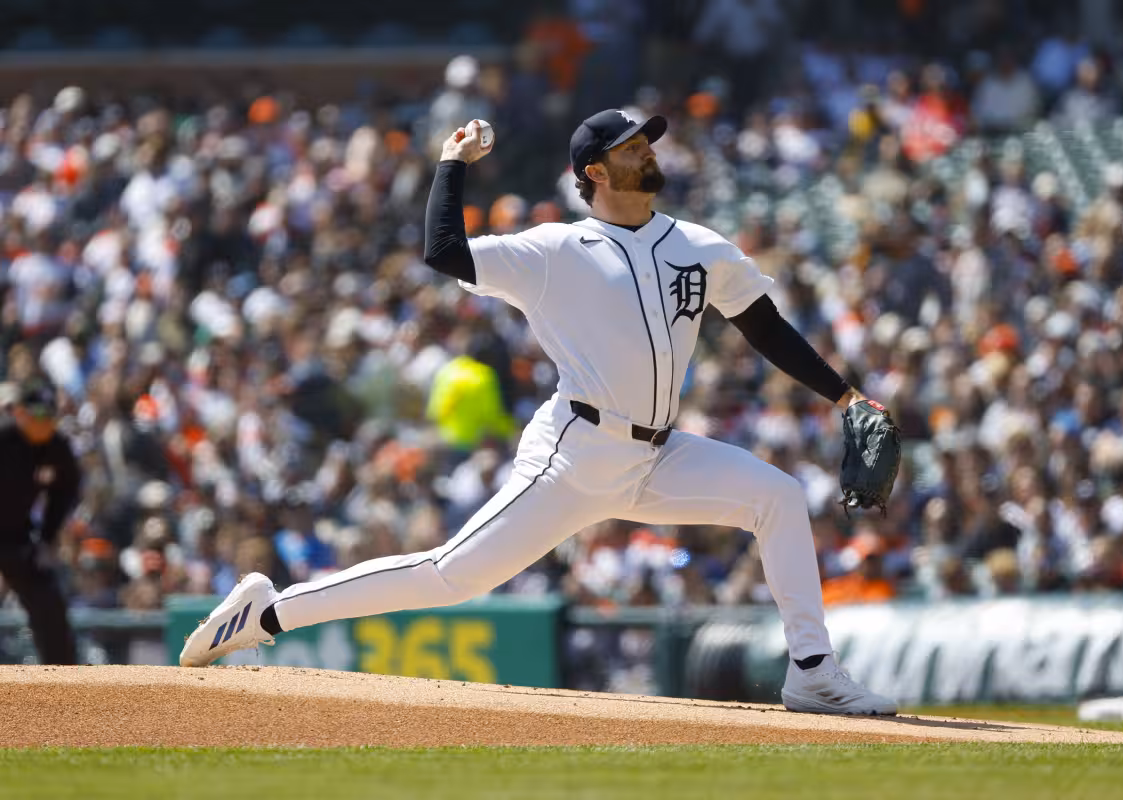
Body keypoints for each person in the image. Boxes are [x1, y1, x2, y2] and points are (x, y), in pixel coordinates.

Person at [179, 110, 898, 716]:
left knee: (779, 496)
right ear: (595, 172)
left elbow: (765, 327)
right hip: (573, 456)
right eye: (632, 148)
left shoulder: (699, 246)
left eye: (648, 143)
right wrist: (451, 164)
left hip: (658, 456)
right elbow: (444, 252)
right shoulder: (556, 248)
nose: (649, 152)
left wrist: (846, 396)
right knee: (451, 576)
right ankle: (267, 611)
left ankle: (812, 670)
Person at [0, 375, 82, 664]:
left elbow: (67, 489)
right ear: (19, 412)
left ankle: (63, 678)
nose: (45, 422)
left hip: (17, 536)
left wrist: (47, 536)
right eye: (37, 415)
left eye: (50, 416)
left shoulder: (56, 447)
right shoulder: (3, 437)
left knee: (49, 602)